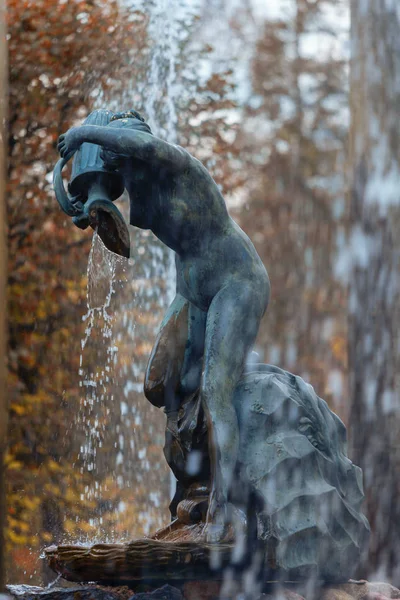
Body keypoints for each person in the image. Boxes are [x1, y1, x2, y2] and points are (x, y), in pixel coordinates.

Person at [58, 110, 270, 541]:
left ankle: (226, 509)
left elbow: (144, 147)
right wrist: (87, 208)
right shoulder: (136, 182)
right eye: (117, 159)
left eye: (124, 152)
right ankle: (191, 488)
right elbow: (116, 231)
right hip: (192, 288)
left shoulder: (177, 165)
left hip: (236, 280)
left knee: (214, 388)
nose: (123, 165)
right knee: (160, 383)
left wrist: (82, 133)